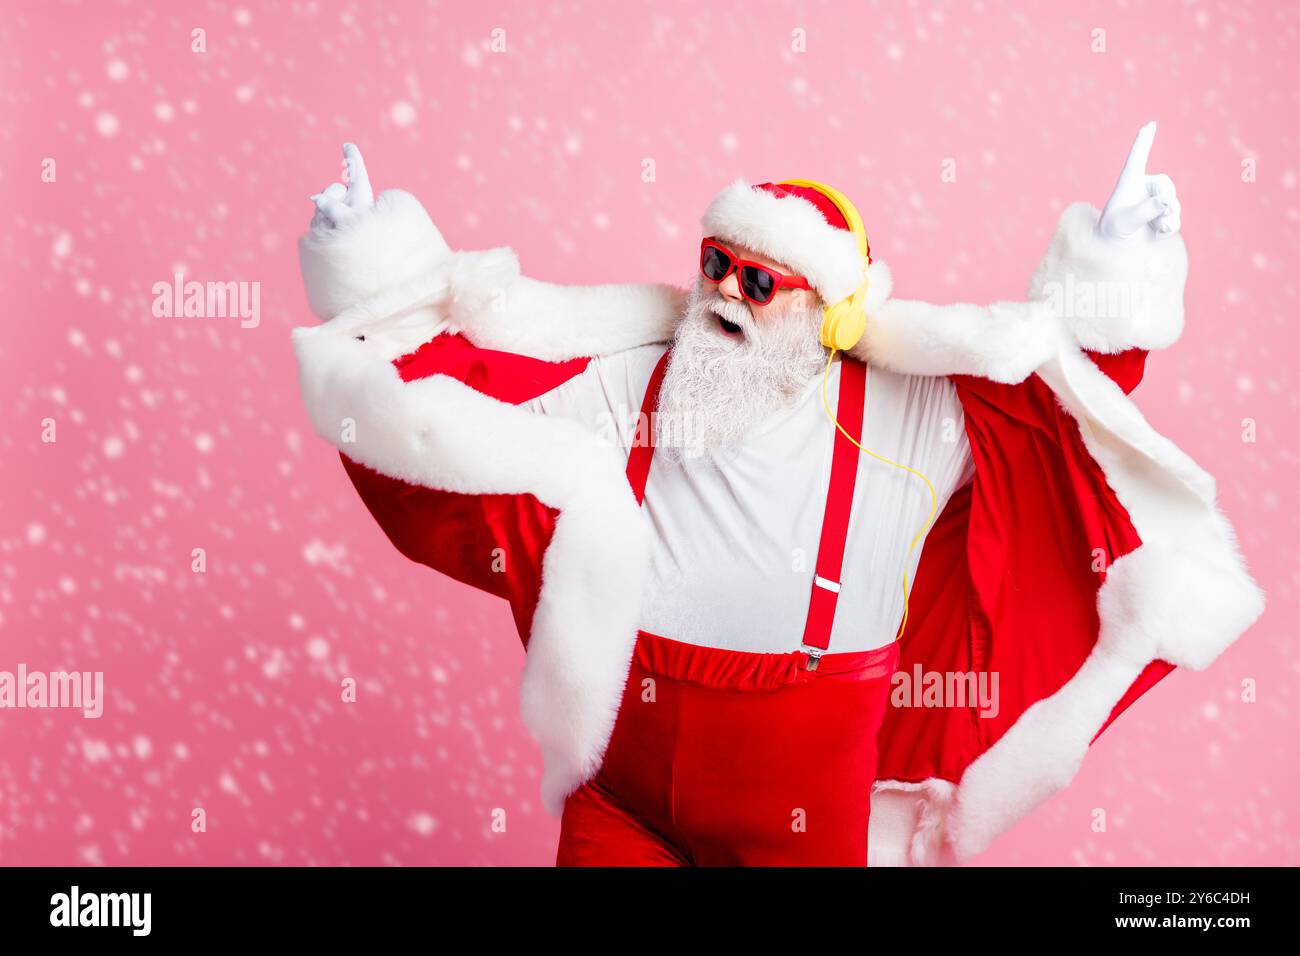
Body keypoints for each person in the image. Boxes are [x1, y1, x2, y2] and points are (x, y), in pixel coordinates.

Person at [292, 125, 1263, 865]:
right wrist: (383, 276)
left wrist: (1110, 270)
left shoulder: (904, 414)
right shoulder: (626, 377)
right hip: (618, 799)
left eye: (759, 280)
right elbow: (458, 410)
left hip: (798, 812)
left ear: (829, 314)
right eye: (715, 264)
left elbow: (1059, 404)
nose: (723, 295)